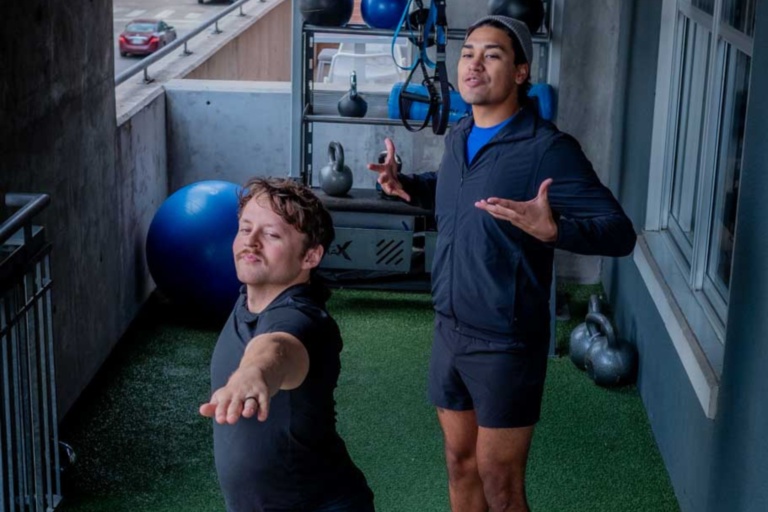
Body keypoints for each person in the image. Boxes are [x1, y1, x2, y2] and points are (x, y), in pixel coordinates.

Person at [368, 15, 637, 512]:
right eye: (468, 52)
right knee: (459, 463)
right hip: (449, 327)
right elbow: (458, 197)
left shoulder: (548, 150)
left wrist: (557, 229)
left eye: (491, 54)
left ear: (519, 72)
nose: (474, 63)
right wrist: (408, 186)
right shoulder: (460, 134)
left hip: (505, 340)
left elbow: (620, 233)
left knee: (500, 482)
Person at [199, 177, 374, 512]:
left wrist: (252, 376)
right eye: (245, 228)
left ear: (310, 256)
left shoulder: (304, 319)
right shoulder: (251, 299)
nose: (250, 242)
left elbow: (276, 349)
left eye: (272, 234)